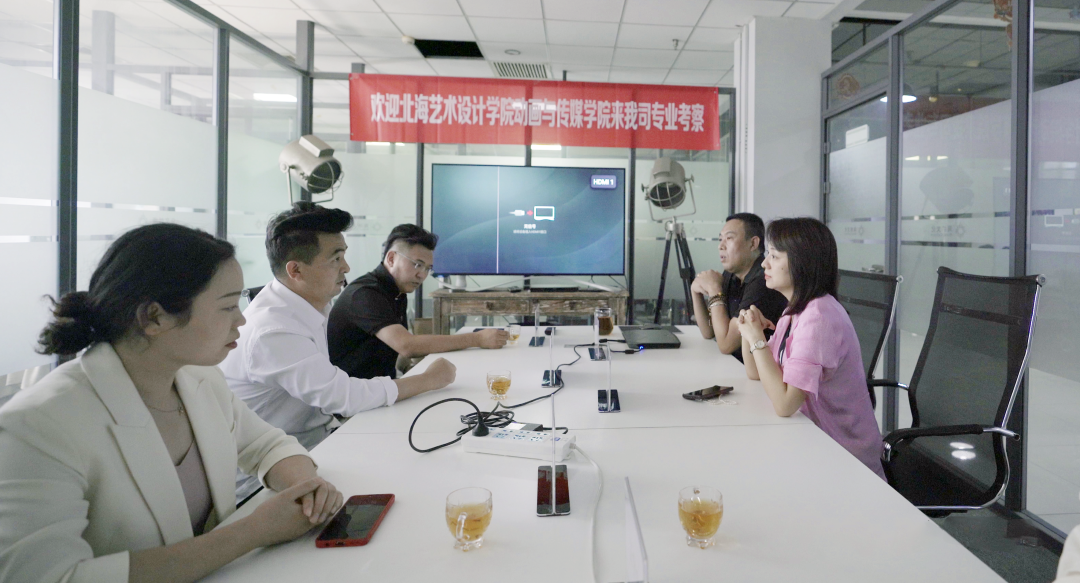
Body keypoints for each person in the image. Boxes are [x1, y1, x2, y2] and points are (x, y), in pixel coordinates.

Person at [0, 223, 343, 583]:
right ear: (154, 317)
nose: (241, 319)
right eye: (228, 306)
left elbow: (267, 445)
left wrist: (308, 490)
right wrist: (253, 531)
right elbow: (51, 577)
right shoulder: (36, 427)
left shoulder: (197, 378)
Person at [221, 204, 456, 455]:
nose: (346, 267)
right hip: (283, 459)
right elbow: (343, 398)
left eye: (343, 255)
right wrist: (429, 379)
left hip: (318, 436)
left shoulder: (311, 303)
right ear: (296, 270)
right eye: (336, 259)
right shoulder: (273, 330)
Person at [736, 217, 886, 480]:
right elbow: (756, 373)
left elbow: (784, 404)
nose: (764, 264)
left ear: (801, 262)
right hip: (812, 441)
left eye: (774, 256)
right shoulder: (795, 310)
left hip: (846, 461)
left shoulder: (819, 316)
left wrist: (757, 340)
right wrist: (750, 333)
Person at [328, 224, 508, 381]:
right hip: (354, 397)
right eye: (417, 264)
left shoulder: (397, 291)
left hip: (381, 387)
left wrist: (410, 370)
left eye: (428, 268)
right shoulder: (365, 294)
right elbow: (407, 345)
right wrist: (477, 338)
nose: (422, 275)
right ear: (391, 259)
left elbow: (395, 349)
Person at [690, 213, 787, 363]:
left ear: (753, 243)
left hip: (757, 370)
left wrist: (714, 290)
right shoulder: (732, 274)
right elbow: (709, 331)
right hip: (733, 365)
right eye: (720, 239)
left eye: (729, 238)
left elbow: (726, 345)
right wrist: (695, 291)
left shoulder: (763, 281)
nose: (721, 246)